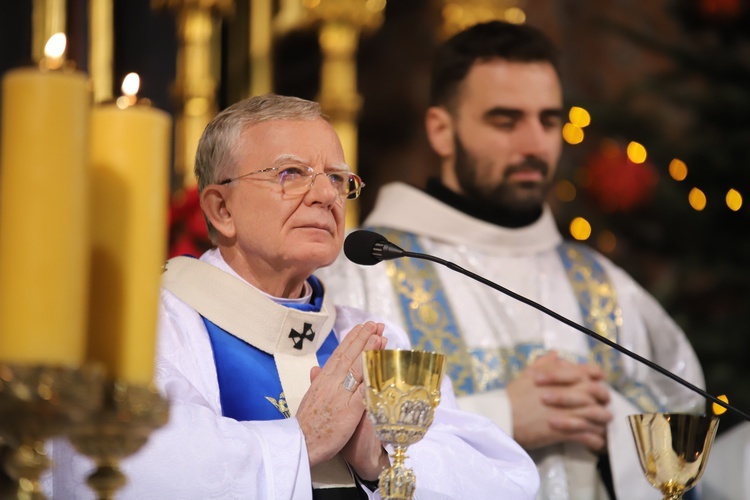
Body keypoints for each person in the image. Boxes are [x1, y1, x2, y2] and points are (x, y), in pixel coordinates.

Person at [45, 94, 539, 499]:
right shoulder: (153, 323)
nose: (325, 195)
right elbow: (128, 467)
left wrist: (382, 459)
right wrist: (297, 444)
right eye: (291, 174)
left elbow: (506, 480)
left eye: (338, 179)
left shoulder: (366, 336)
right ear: (221, 209)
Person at [318, 21, 706, 500]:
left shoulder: (602, 284)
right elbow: (318, 431)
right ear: (441, 130)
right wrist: (500, 417)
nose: (534, 144)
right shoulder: (364, 273)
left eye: (548, 120)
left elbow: (684, 417)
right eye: (506, 120)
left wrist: (608, 418)